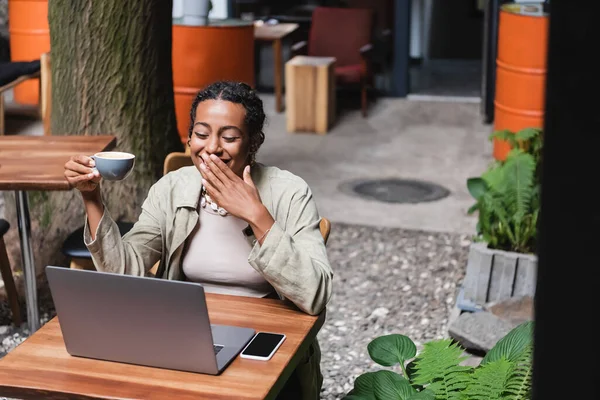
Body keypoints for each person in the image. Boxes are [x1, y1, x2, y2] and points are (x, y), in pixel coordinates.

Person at [64, 81, 332, 399]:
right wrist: (91, 196)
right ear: (189, 137)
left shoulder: (289, 192)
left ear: (253, 142)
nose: (212, 148)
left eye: (229, 137)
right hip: (185, 334)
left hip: (265, 338)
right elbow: (123, 275)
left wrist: (256, 215)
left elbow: (315, 294)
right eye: (202, 134)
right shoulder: (173, 187)